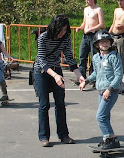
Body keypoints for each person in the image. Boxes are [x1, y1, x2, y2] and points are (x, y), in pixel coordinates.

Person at [33, 14, 85, 147]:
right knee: (44, 104)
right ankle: (44, 136)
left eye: (65, 30)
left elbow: (70, 58)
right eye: (60, 30)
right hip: (42, 72)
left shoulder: (65, 38)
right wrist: (55, 76)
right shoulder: (43, 38)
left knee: (60, 103)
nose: (62, 33)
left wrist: (79, 75)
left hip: (57, 70)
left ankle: (63, 135)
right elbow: (42, 61)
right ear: (54, 28)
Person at [79, 31, 123, 149]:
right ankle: (106, 139)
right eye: (101, 42)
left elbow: (119, 75)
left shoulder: (114, 56)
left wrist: (109, 89)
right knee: (105, 115)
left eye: (106, 41)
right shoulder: (96, 57)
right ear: (97, 44)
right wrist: (86, 81)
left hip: (110, 91)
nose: (104, 43)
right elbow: (96, 73)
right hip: (100, 90)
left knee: (100, 116)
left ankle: (111, 138)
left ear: (110, 43)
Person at [75, 0, 105, 78]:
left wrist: (91, 29)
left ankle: (93, 76)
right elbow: (84, 22)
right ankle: (81, 76)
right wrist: (80, 28)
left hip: (94, 35)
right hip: (85, 35)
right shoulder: (86, 9)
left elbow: (101, 24)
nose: (86, 1)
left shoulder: (98, 9)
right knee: (82, 55)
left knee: (94, 57)